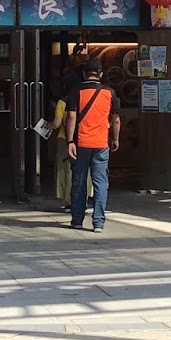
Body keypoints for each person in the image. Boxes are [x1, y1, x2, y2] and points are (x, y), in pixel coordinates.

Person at [66, 59, 120, 232]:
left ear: (84, 74)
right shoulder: (109, 93)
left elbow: (71, 117)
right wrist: (115, 139)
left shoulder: (76, 91)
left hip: (81, 143)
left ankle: (77, 220)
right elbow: (116, 119)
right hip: (101, 144)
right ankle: (98, 223)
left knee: (79, 181)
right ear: (100, 74)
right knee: (100, 183)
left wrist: (70, 141)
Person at [49, 69, 79, 211]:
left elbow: (56, 124)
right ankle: (82, 199)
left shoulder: (62, 102)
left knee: (66, 171)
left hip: (65, 139)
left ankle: (68, 201)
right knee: (82, 170)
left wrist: (47, 125)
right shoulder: (83, 98)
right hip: (82, 138)